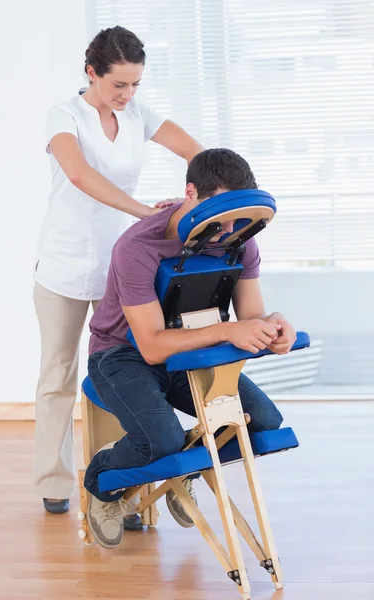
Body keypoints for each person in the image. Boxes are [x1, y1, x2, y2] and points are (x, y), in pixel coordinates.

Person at [82, 148, 297, 549]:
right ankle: (100, 483)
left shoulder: (239, 239)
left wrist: (274, 327)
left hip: (194, 349)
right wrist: (228, 330)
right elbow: (150, 346)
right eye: (220, 211)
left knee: (264, 421)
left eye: (237, 215)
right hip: (121, 355)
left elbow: (253, 314)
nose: (229, 226)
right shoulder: (137, 247)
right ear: (191, 193)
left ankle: (184, 468)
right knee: (160, 440)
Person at [33, 25, 204, 521]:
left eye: (135, 85)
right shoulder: (63, 115)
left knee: (126, 375)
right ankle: (54, 481)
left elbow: (198, 154)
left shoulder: (139, 114)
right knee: (58, 376)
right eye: (118, 86)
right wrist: (147, 214)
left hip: (123, 268)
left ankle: (124, 485)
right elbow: (82, 175)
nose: (128, 95)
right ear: (92, 72)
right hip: (65, 263)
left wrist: (191, 197)